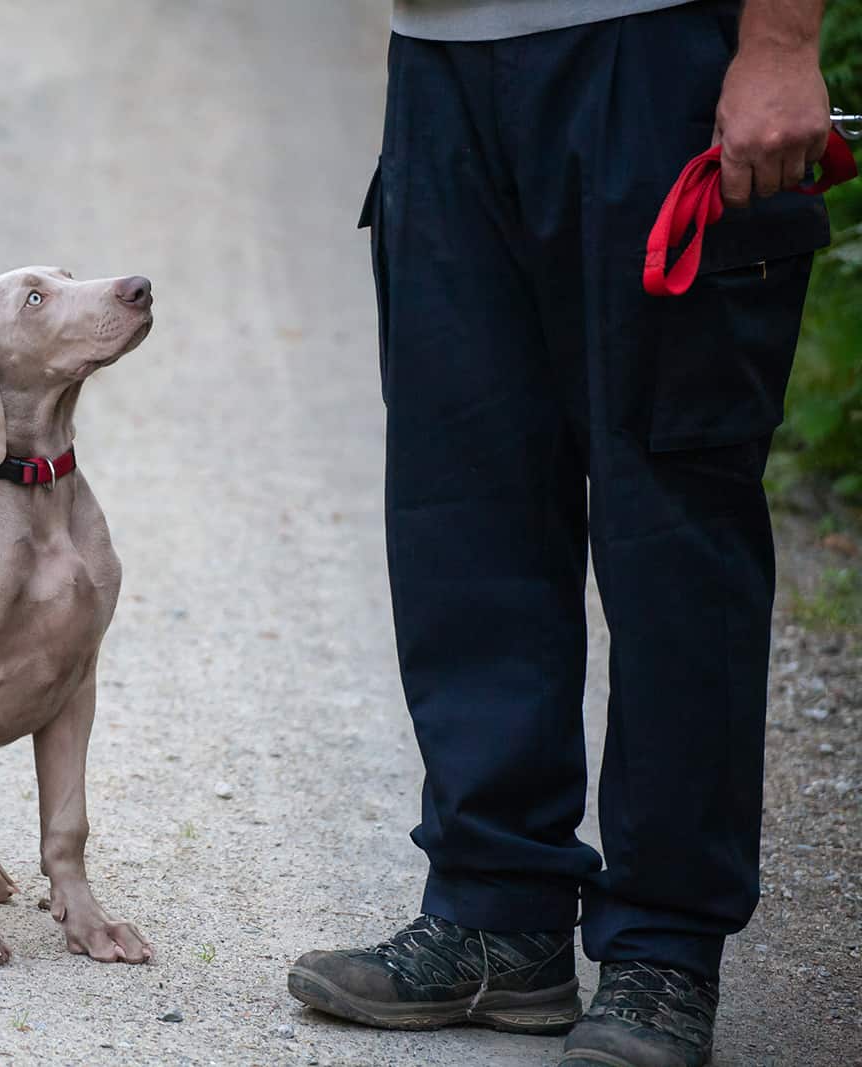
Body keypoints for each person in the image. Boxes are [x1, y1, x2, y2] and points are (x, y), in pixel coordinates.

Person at [287, 2, 839, 1066]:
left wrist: (778, 43)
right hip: (441, 68)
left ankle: (663, 949)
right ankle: (498, 914)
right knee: (464, 514)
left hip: (650, 51)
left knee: (674, 528)